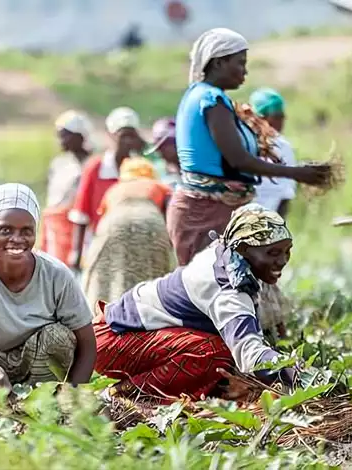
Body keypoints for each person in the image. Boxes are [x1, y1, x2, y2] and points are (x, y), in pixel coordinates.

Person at [93, 204, 296, 403]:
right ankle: (121, 395)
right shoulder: (227, 289)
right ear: (243, 248)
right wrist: (301, 377)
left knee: (227, 355)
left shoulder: (228, 254)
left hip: (123, 334)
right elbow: (250, 355)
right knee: (217, 353)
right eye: (273, 253)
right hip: (113, 340)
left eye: (287, 251)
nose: (283, 260)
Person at [169, 27, 330, 265]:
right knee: (220, 293)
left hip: (211, 210)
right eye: (240, 63)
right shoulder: (211, 99)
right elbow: (238, 160)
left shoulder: (203, 96)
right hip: (206, 213)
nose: (245, 71)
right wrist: (296, 173)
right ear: (219, 63)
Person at [0, 183, 96, 417]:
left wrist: (73, 395)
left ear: (35, 232)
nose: (17, 239)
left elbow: (88, 344)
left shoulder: (56, 274)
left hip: (39, 363)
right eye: (6, 230)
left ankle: (44, 406)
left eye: (26, 231)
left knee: (58, 336)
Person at [82, 157, 175, 309]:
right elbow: (170, 217)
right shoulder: (159, 186)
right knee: (152, 277)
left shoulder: (114, 189)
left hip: (114, 224)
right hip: (151, 222)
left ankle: (108, 318)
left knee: (111, 276)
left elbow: (102, 221)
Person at [68, 107, 146, 270]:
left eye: (132, 136)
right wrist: (76, 251)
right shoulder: (96, 167)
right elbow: (81, 213)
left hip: (133, 245)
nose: (127, 142)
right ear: (111, 136)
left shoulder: (140, 168)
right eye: (122, 136)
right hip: (100, 242)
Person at [40, 110, 94, 263]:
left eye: (65, 135)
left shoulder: (91, 166)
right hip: (55, 228)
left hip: (80, 230)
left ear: (79, 137)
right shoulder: (59, 164)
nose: (61, 140)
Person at [248, 88, 297, 218]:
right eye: (277, 116)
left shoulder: (283, 147)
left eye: (282, 116)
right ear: (260, 117)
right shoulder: (242, 145)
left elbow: (286, 195)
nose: (282, 120)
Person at [144, 118, 181, 188]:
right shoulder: (160, 170)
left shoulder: (196, 169)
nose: (159, 152)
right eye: (158, 149)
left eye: (163, 147)